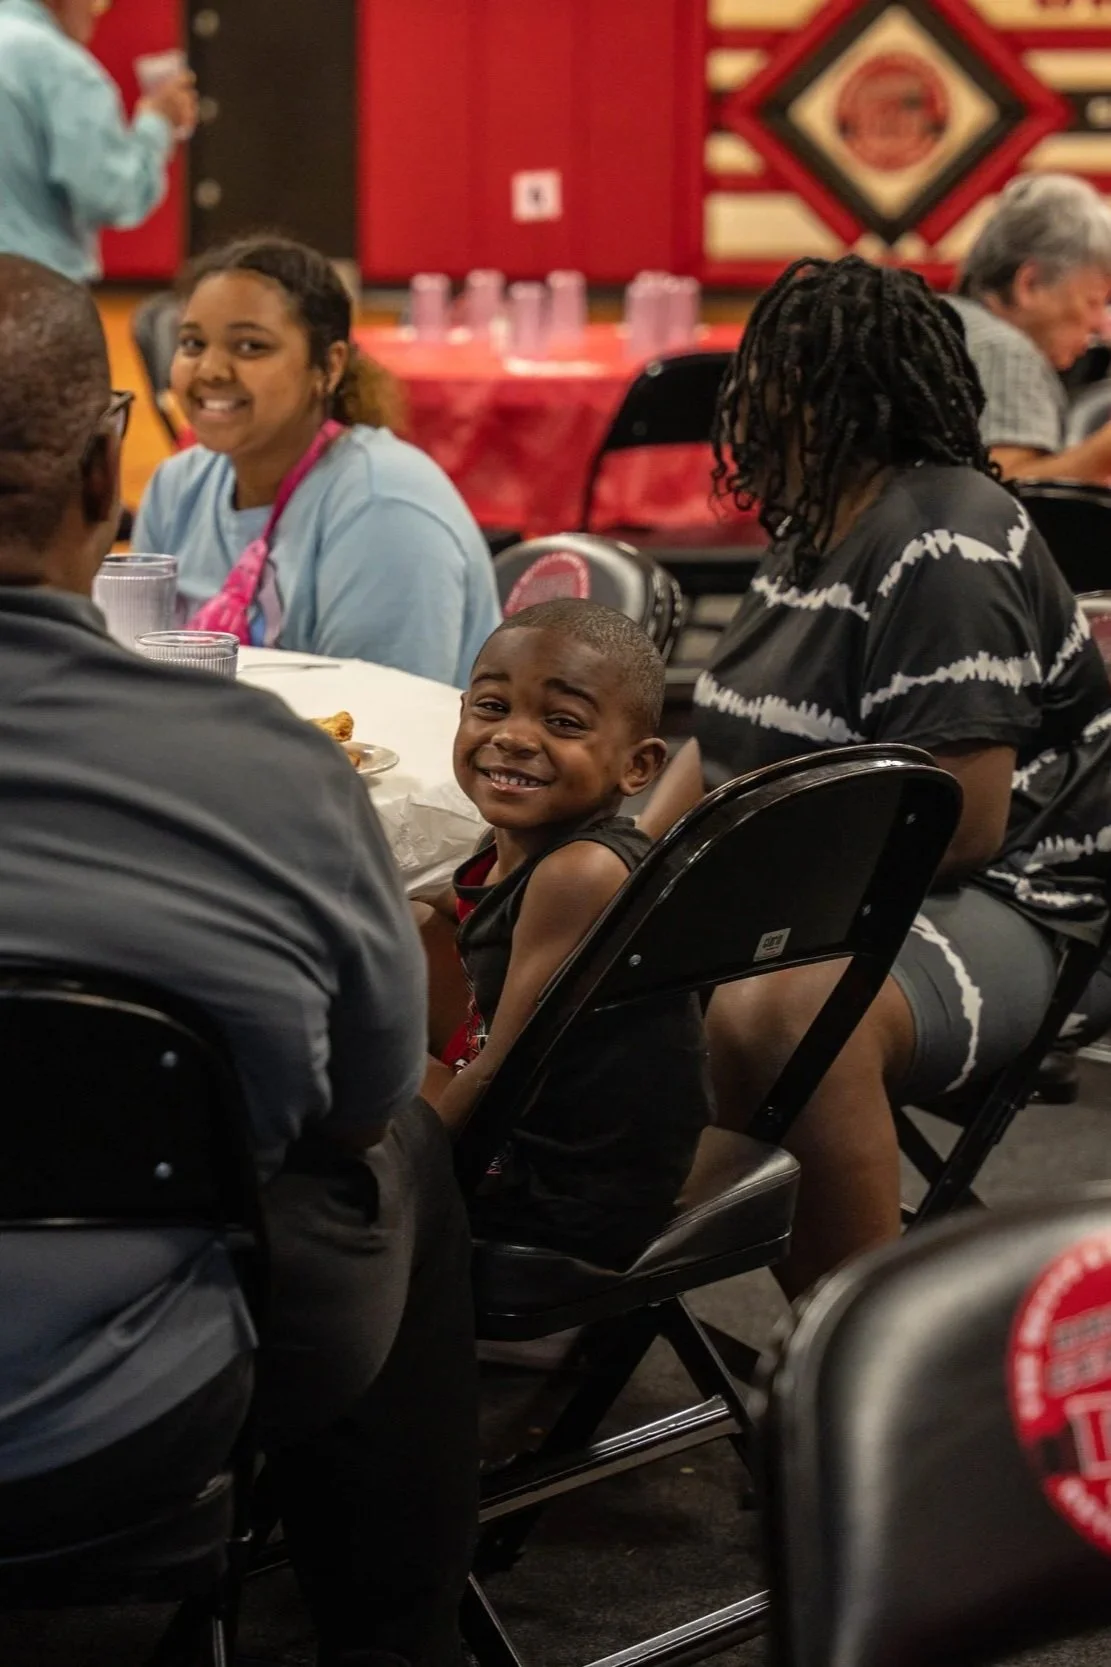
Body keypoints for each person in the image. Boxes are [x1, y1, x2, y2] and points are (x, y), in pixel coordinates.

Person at [0, 254, 476, 1667]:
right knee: (410, 1156)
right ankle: (391, 1638)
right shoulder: (274, 774)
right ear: (106, 475)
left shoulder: (371, 511)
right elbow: (365, 1089)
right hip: (123, 1415)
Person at [644, 255, 1111, 1299]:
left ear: (826, 400)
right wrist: (631, 858)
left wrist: (731, 894)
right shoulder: (815, 527)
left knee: (781, 1010)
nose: (741, 408)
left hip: (1033, 900)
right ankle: (598, 1277)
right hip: (852, 873)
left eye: (763, 382)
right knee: (579, 930)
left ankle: (851, 1343)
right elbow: (720, 733)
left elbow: (963, 825)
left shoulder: (946, 532)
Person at [416, 601, 712, 1270]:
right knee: (404, 928)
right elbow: (460, 908)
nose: (515, 737)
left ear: (636, 768)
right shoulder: (518, 845)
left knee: (336, 1084)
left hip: (568, 1194)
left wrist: (403, 1172)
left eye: (562, 722)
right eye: (493, 707)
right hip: (547, 1135)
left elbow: (500, 1072)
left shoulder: (581, 871)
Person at [133, 235, 501, 685]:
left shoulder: (383, 506)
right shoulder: (176, 488)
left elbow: (382, 729)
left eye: (250, 347)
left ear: (329, 367)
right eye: (192, 344)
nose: (210, 369)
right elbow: (138, 679)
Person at [0, 0, 197, 283]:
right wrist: (158, 125)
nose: (99, 9)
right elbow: (111, 195)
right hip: (30, 295)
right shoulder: (61, 68)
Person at [948, 175, 1111, 482]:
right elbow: (1009, 499)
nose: (1100, 324)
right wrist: (1102, 453)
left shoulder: (945, 325)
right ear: (1030, 284)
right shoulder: (1007, 352)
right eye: (1093, 302)